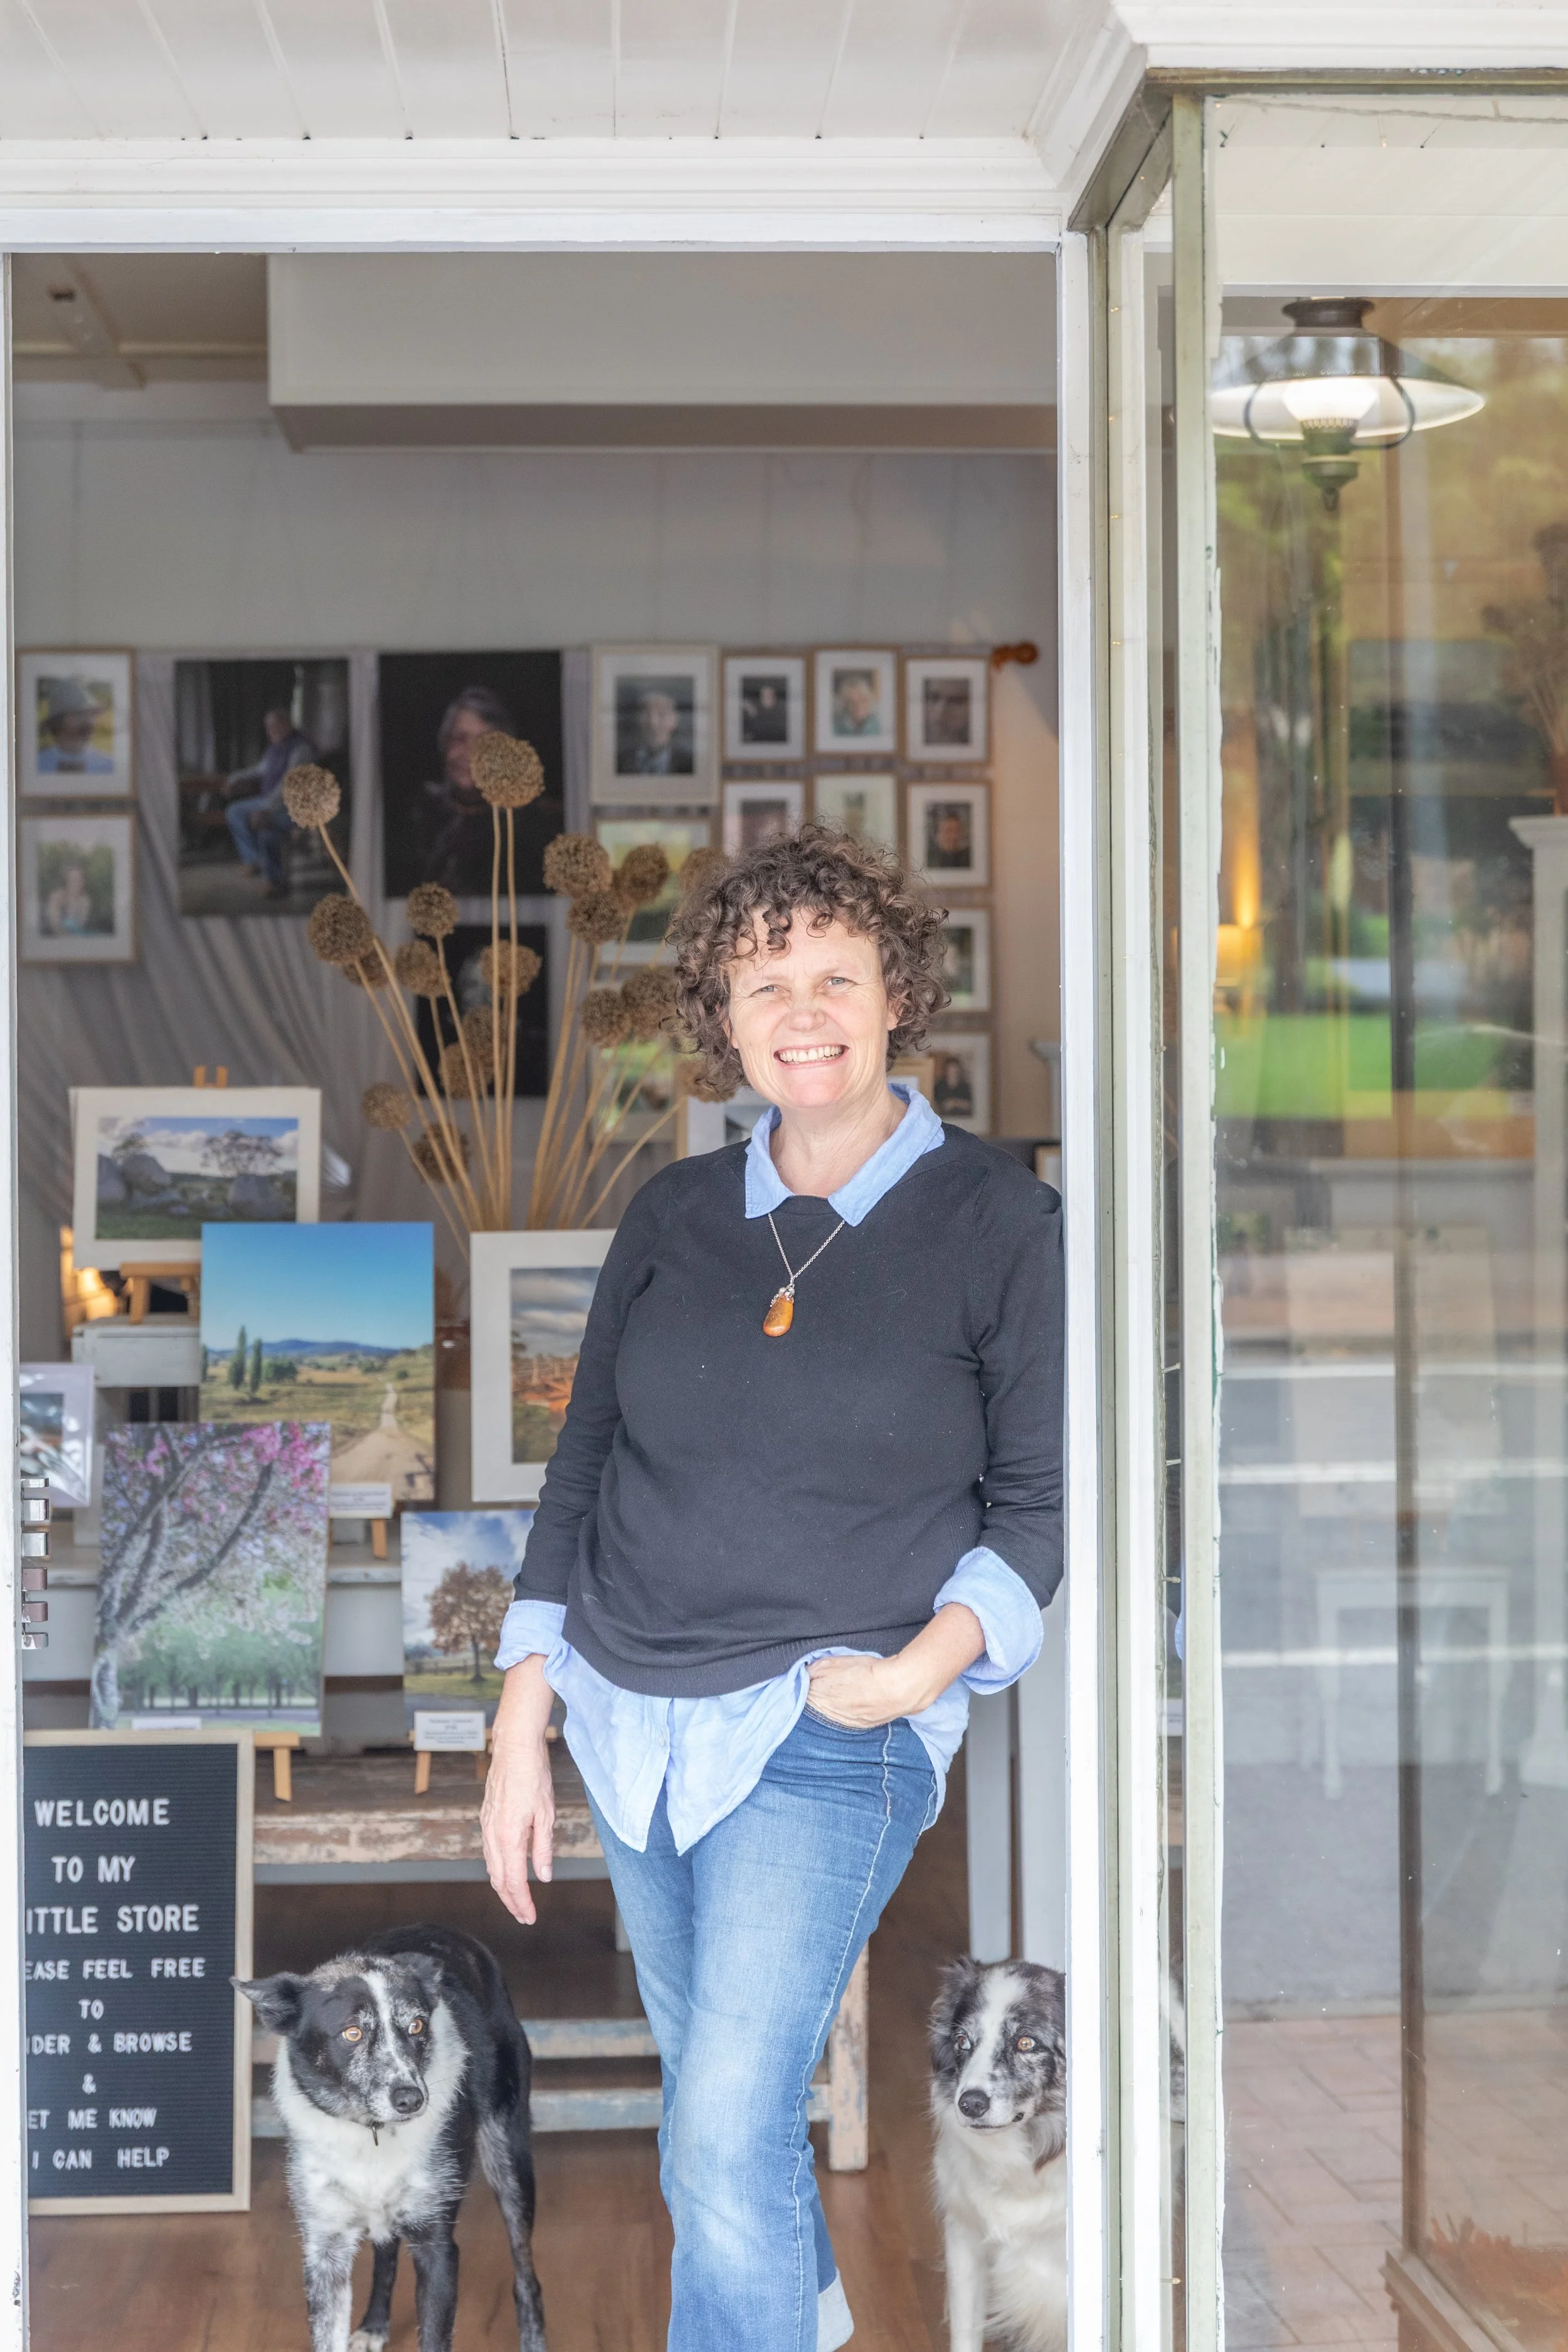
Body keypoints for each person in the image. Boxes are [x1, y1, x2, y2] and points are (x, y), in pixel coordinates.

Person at [482, 825, 1063, 2352]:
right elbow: (583, 1461)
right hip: (632, 1717)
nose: (800, 1008)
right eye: (763, 982)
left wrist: (914, 1676)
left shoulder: (999, 1222)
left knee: (720, 2131)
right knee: (717, 2117)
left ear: (894, 995)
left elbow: (1038, 1505)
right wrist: (521, 1719)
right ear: (722, 1018)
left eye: (833, 974)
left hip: (830, 1724)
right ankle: (804, 2320)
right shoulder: (675, 1216)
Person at [424, 683, 518, 892]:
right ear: (444, 744)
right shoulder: (418, 817)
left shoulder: (521, 827)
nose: (471, 753)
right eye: (459, 739)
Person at [225, 706, 315, 896]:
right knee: (235, 812)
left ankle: (275, 880)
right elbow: (261, 770)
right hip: (270, 801)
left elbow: (289, 785)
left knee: (268, 827)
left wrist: (267, 809)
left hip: (293, 806)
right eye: (268, 727)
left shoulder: (301, 749)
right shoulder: (275, 747)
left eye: (275, 726)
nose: (271, 731)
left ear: (287, 725)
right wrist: (235, 778)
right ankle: (254, 861)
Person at [36, 677, 114, 775]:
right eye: (79, 715)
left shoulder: (108, 766)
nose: (89, 722)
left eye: (91, 715)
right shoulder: (39, 765)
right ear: (58, 722)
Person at [623, 682, 693, 776]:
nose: (653, 723)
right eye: (647, 715)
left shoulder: (689, 763)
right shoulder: (620, 761)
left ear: (674, 721)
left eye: (662, 715)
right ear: (637, 719)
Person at [831, 667, 882, 736]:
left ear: (869, 701)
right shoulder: (834, 727)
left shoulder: (879, 724)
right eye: (851, 701)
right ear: (845, 705)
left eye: (863, 700)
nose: (858, 705)